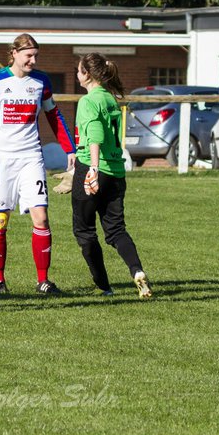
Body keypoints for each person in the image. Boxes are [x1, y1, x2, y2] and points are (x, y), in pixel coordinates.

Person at [0, 34, 76, 294]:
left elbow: (53, 114)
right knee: (0, 219)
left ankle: (43, 280)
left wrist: (69, 148)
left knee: (42, 218)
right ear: (13, 53)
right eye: (28, 55)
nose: (33, 60)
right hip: (1, 158)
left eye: (36, 55)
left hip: (31, 157)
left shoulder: (41, 81)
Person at [72, 53, 152, 299]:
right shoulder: (110, 99)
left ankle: (104, 286)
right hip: (116, 172)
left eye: (78, 70)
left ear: (86, 74)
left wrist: (92, 170)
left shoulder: (89, 101)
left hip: (93, 168)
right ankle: (137, 270)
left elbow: (94, 135)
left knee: (84, 232)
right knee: (116, 230)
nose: (77, 74)